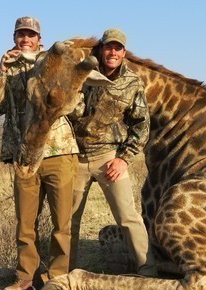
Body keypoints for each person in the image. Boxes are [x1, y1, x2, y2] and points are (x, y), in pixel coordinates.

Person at [0, 16, 79, 290]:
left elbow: (74, 102)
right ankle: (26, 277)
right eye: (21, 34)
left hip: (58, 152)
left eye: (30, 35)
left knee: (62, 223)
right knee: (25, 224)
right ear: (14, 38)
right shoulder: (8, 68)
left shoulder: (55, 63)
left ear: (39, 39)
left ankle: (58, 279)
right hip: (24, 158)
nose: (25, 39)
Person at [69, 28, 157, 276]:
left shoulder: (132, 82)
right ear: (100, 49)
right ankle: (62, 271)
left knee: (128, 217)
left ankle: (148, 272)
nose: (113, 52)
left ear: (124, 53)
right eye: (109, 47)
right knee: (69, 221)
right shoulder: (82, 74)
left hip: (109, 159)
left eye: (118, 48)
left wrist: (124, 159)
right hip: (76, 157)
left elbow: (141, 125)